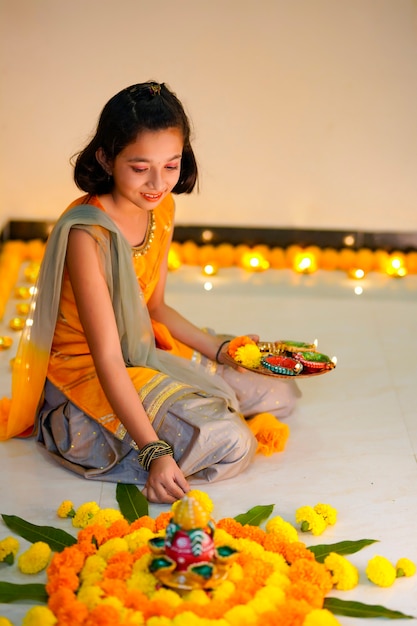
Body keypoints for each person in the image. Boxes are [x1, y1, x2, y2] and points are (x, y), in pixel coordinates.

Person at [1, 81, 300, 503]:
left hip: (141, 348)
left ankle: (192, 414)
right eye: (140, 167)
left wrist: (221, 349)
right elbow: (106, 357)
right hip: (87, 373)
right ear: (106, 157)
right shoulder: (88, 235)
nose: (157, 183)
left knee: (278, 391)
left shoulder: (162, 207)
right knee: (231, 442)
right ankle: (149, 433)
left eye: (171, 165)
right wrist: (154, 451)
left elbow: (154, 306)